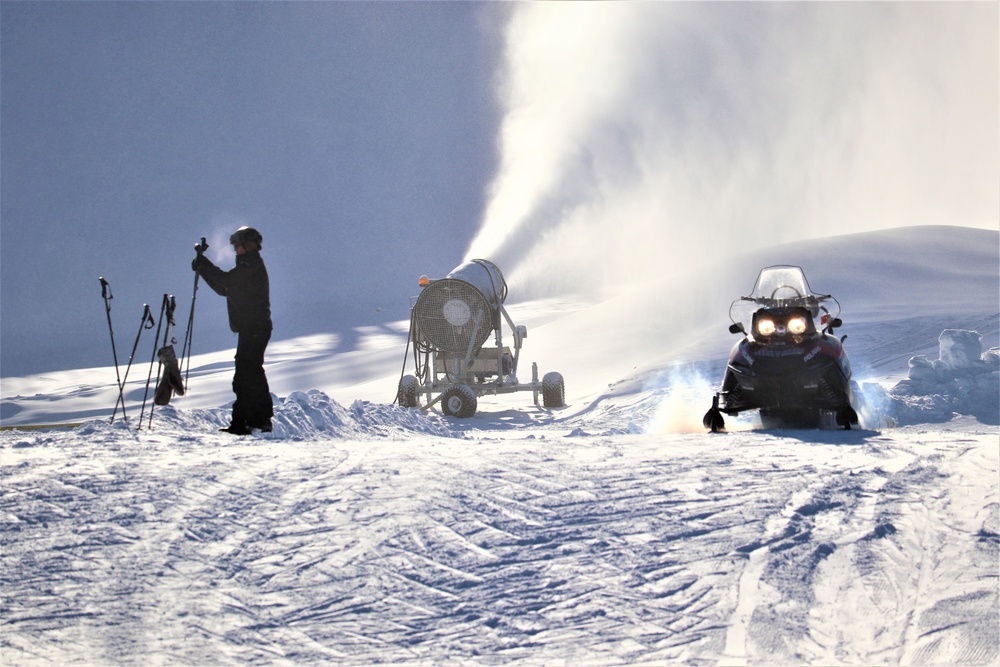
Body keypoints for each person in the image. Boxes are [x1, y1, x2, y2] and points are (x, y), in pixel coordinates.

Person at [192, 226, 273, 434]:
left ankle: (248, 421)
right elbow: (225, 289)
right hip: (253, 327)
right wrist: (204, 270)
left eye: (238, 245)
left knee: (246, 374)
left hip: (255, 327)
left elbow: (227, 281)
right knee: (250, 372)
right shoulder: (248, 265)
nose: (235, 249)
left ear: (249, 245)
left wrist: (204, 265)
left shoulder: (251, 265)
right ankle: (255, 420)